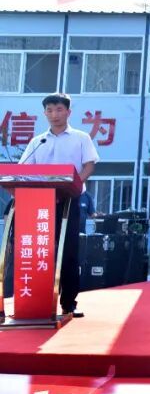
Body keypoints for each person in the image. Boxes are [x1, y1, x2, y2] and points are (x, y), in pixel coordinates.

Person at [16, 93, 98, 318]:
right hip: (40, 203)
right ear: (44, 113)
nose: (54, 114)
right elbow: (24, 169)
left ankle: (69, 303)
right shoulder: (38, 141)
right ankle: (36, 302)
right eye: (50, 110)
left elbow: (89, 166)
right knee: (40, 251)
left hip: (70, 201)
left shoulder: (81, 138)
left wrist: (75, 185)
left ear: (68, 112)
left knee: (69, 251)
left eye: (59, 109)